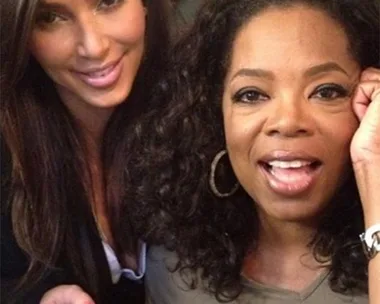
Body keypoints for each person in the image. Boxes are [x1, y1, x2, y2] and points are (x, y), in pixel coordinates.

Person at [122, 0, 380, 303]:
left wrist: (373, 166)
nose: (287, 122)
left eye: (326, 91)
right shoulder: (175, 272)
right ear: (215, 115)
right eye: (252, 94)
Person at [0, 0, 170, 303]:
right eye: (50, 18)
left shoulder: (200, 108)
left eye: (108, 2)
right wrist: (35, 298)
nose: (93, 47)